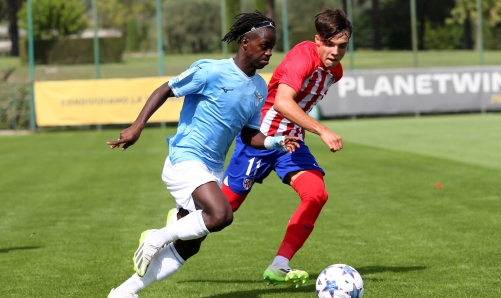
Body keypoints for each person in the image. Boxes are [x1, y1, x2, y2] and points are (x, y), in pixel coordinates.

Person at [105, 11, 299, 298]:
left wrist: (275, 142)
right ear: (245, 43)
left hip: (211, 169)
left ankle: (123, 293)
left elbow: (248, 133)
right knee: (221, 215)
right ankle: (157, 237)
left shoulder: (259, 87)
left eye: (272, 46)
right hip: (185, 158)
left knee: (189, 245)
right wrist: (137, 126)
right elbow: (166, 89)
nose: (270, 52)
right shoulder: (210, 70)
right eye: (264, 45)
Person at [221, 8, 353, 287]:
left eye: (342, 46)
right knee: (221, 212)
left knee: (316, 194)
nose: (336, 52)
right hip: (262, 138)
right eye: (329, 44)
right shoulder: (301, 58)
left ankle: (279, 265)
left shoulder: (335, 71)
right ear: (318, 40)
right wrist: (322, 129)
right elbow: (282, 102)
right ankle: (174, 223)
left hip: (291, 142)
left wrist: (306, 131)